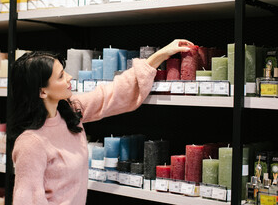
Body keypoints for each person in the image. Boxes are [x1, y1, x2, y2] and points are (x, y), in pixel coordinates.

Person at [10, 39, 193, 204]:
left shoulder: (70, 112)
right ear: (42, 92)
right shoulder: (31, 144)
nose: (69, 77)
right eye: (60, 76)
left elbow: (113, 93)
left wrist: (161, 54)